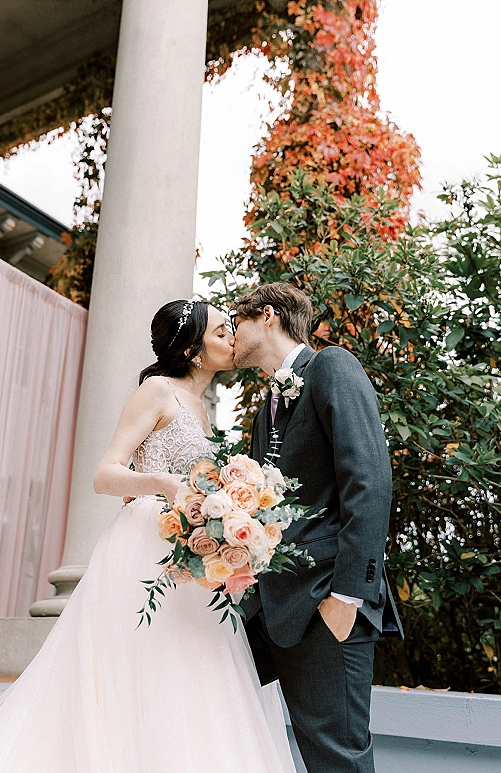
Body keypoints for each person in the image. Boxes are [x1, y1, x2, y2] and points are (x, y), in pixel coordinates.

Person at [0, 299, 296, 773]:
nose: (233, 339)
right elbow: (106, 474)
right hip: (143, 546)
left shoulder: (201, 407)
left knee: (184, 668)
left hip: (188, 552)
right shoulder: (157, 391)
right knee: (139, 664)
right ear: (192, 350)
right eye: (222, 332)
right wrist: (163, 484)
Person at [231, 282, 403, 773]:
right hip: (278, 608)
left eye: (235, 323)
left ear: (266, 316)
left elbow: (368, 482)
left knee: (338, 759)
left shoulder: (331, 366)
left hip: (328, 601)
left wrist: (347, 598)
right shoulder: (268, 403)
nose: (231, 337)